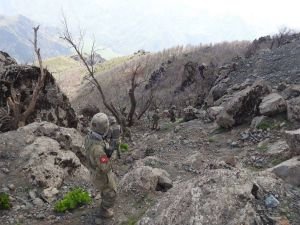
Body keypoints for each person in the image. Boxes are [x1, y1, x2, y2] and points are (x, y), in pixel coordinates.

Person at [83, 113, 117, 220]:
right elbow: (105, 167)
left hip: (93, 170)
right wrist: (112, 155)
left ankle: (103, 200)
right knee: (111, 193)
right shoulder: (98, 150)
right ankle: (104, 210)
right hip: (101, 175)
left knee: (104, 190)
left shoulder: (88, 137)